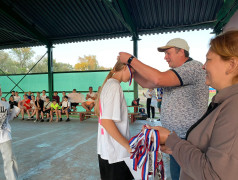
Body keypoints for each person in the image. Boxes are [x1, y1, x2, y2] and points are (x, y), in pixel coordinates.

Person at [146, 30, 238, 180]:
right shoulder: (224, 101)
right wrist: (174, 147)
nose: (204, 66)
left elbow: (213, 174)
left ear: (231, 65)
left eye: (209, 59)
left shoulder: (234, 108)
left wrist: (172, 140)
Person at [118, 38, 209, 179]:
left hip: (189, 140)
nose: (165, 57)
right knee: (177, 175)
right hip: (176, 139)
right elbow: (148, 83)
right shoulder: (176, 72)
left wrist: (131, 60)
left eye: (168, 53)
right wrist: (133, 72)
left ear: (181, 52)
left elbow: (157, 79)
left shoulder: (193, 67)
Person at [95, 60, 134, 180]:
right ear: (124, 68)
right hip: (115, 153)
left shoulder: (109, 84)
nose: (133, 76)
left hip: (107, 150)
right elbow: (106, 122)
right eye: (133, 71)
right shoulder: (114, 86)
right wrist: (128, 146)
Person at [0, 87, 19, 180]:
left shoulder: (6, 104)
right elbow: (9, 118)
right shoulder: (5, 104)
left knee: (10, 160)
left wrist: (15, 108)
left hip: (4, 136)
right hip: (4, 136)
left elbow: (9, 118)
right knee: (9, 160)